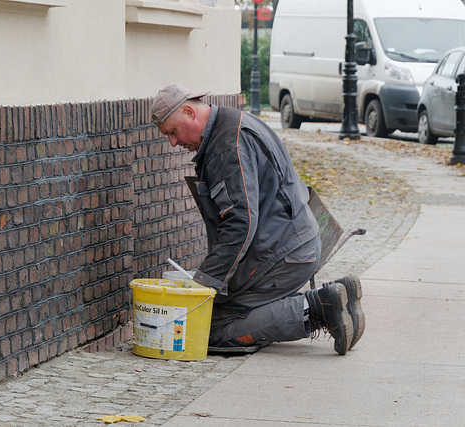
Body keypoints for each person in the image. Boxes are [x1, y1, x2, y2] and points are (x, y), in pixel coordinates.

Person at [151, 84, 365, 355]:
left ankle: (319, 308)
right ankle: (334, 296)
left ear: (190, 112)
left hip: (285, 254)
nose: (173, 142)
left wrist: (205, 284)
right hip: (291, 244)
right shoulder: (233, 122)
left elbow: (241, 223)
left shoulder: (226, 146)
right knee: (226, 310)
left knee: (214, 329)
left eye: (172, 131)